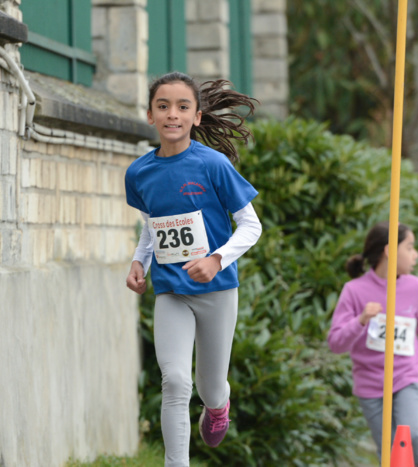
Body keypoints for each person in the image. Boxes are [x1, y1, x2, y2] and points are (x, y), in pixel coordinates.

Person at [125, 71, 262, 467]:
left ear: (197, 117)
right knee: (175, 382)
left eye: (182, 107)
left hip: (218, 292)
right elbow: (152, 225)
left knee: (209, 387)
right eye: (163, 106)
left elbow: (251, 226)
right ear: (150, 115)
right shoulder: (138, 173)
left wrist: (216, 259)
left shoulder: (213, 165)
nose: (172, 114)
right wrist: (139, 260)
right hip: (172, 292)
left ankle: (218, 406)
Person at [327, 222, 418, 467]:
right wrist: (361, 320)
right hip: (370, 387)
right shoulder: (354, 291)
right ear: (390, 251)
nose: (416, 254)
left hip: (405, 378)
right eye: (410, 247)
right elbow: (336, 343)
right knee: (390, 455)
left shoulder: (414, 286)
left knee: (412, 433)